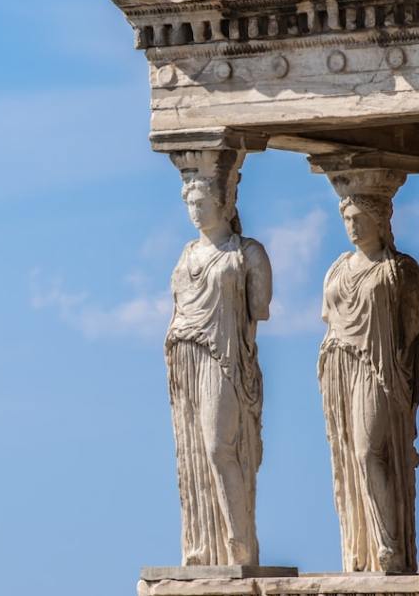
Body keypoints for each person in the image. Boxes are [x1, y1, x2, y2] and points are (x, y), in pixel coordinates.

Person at [318, 194, 419, 573]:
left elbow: (412, 329)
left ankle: (390, 544)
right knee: (349, 454)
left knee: (368, 451)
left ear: (380, 221)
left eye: (360, 217)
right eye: (347, 218)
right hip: (339, 364)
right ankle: (362, 546)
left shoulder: (398, 269)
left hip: (378, 368)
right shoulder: (336, 268)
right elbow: (326, 316)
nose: (352, 225)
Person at [165, 177, 271, 566]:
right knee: (192, 449)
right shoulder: (186, 254)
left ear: (224, 204)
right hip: (185, 355)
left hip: (224, 355)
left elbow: (258, 307)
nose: (195, 211)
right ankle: (205, 547)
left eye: (202, 202)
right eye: (190, 203)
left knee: (217, 446)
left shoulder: (247, 254)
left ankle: (240, 539)